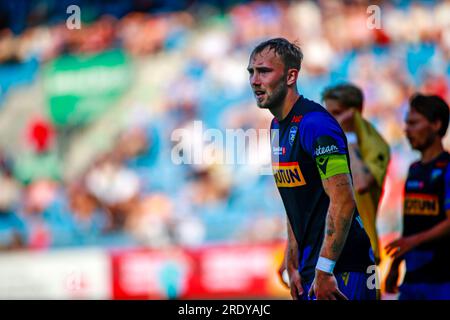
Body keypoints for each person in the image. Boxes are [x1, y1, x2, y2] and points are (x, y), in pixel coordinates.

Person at [247, 38, 376, 300]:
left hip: (343, 267)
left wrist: (326, 269)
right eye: (251, 72)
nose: (254, 80)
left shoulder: (316, 124)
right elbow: (298, 198)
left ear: (291, 75)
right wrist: (292, 256)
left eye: (264, 71)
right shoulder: (275, 127)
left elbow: (343, 199)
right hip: (312, 267)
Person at [385, 93, 450, 300]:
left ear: (436, 124)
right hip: (412, 279)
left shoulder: (447, 168)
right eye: (406, 123)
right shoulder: (414, 170)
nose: (406, 130)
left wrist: (414, 241)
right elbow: (410, 225)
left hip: (442, 280)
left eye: (414, 123)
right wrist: (396, 264)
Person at [321, 84, 390, 265]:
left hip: (363, 252)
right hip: (331, 250)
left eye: (336, 113)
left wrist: (346, 137)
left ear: (355, 112)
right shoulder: (327, 143)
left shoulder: (375, 144)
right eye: (328, 114)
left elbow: (360, 183)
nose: (331, 120)